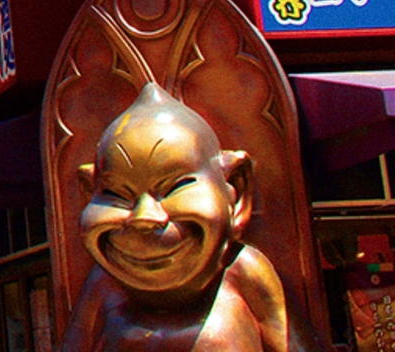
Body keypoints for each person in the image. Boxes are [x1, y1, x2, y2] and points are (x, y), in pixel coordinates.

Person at [59, 84, 306, 352]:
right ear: (89, 194)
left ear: (235, 191)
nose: (144, 218)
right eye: (116, 195)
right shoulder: (103, 285)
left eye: (175, 188)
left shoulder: (242, 270)